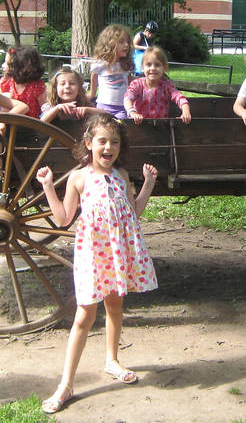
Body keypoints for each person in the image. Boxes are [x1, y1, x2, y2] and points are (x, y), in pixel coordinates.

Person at [36, 114, 159, 414]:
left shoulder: (122, 175)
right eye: (102, 141)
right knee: (83, 316)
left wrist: (149, 184)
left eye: (114, 142)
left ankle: (112, 360)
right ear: (89, 144)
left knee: (115, 307)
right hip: (93, 256)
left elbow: (134, 211)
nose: (108, 147)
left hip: (117, 254)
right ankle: (66, 384)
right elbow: (64, 219)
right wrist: (48, 186)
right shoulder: (79, 178)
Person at [123, 46, 191, 124]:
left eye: (157, 65)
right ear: (142, 68)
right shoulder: (137, 84)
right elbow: (128, 98)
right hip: (140, 126)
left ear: (164, 67)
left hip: (161, 127)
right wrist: (132, 112)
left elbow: (178, 96)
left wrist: (185, 110)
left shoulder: (166, 85)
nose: (153, 68)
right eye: (148, 65)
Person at [89, 24, 134, 119]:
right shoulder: (101, 64)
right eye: (121, 42)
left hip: (121, 107)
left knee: (119, 126)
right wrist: (92, 94)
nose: (126, 45)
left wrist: (133, 98)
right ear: (110, 44)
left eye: (127, 42)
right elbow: (94, 76)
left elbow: (131, 83)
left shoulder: (126, 65)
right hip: (103, 106)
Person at [40, 66, 109, 122]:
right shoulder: (50, 106)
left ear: (79, 88)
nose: (67, 86)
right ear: (55, 88)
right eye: (62, 84)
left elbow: (107, 115)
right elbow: (41, 123)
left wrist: (88, 110)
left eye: (72, 83)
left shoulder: (84, 104)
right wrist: (57, 108)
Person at [0, 46, 47, 118]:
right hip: (7, 124)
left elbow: (45, 109)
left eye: (7, 63)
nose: (3, 65)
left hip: (31, 126)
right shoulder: (6, 84)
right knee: (6, 96)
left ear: (20, 67)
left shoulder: (37, 87)